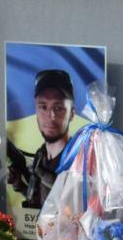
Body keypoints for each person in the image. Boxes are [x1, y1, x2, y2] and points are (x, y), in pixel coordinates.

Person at [8, 69, 76, 209]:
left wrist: (41, 173)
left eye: (58, 108)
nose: (50, 116)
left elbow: (71, 196)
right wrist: (19, 185)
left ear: (72, 114)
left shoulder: (78, 157)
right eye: (43, 107)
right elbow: (39, 202)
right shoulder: (41, 154)